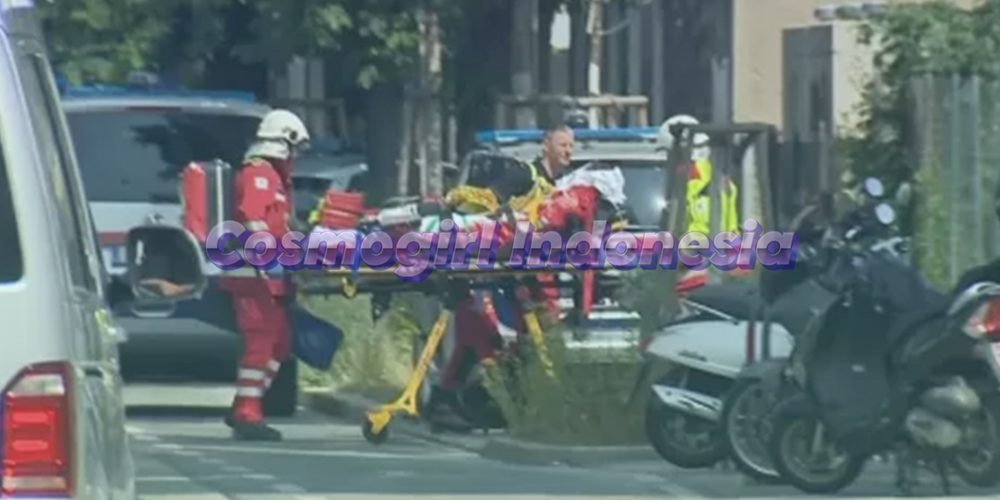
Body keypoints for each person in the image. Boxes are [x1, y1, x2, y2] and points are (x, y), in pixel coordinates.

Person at [427, 124, 575, 430]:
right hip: (498, 270)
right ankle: (455, 400)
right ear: (546, 145)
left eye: (571, 146)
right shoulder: (525, 176)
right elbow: (489, 200)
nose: (568, 152)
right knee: (487, 336)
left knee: (515, 341)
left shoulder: (560, 188)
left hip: (526, 275)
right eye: (562, 145)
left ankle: (476, 400)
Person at [219, 109, 310, 441]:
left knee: (281, 341)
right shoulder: (260, 174)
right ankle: (247, 413)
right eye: (296, 148)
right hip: (253, 276)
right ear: (284, 141)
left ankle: (246, 402)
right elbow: (252, 216)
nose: (297, 157)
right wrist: (268, 258)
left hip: (269, 274)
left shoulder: (273, 178)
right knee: (261, 341)